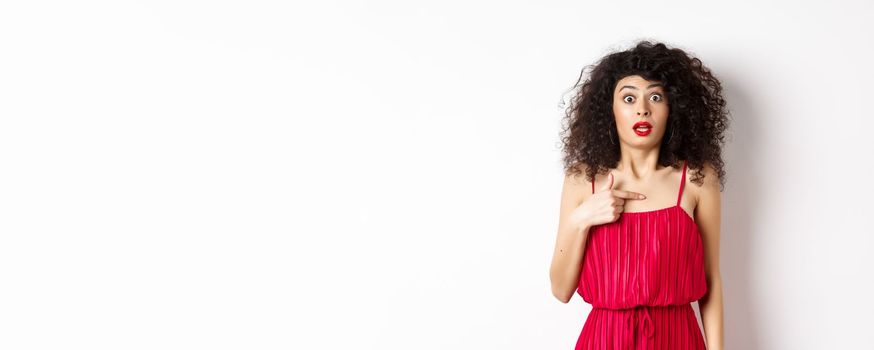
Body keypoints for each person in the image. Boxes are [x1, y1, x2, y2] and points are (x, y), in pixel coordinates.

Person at [549, 40, 729, 349]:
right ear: (610, 109)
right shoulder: (583, 180)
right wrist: (581, 220)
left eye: (655, 97)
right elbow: (561, 290)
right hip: (605, 341)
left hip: (679, 340)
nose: (642, 109)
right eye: (629, 98)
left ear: (673, 107)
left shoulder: (698, 179)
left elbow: (711, 282)